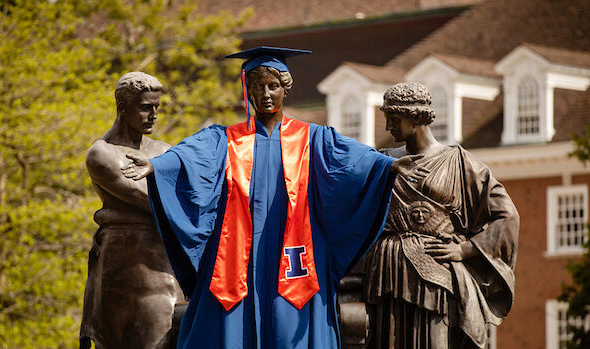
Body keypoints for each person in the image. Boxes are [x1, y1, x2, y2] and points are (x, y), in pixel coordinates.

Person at [122, 47, 427, 349]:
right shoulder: (224, 139)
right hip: (238, 253)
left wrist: (386, 166)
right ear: (248, 92)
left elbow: (352, 161)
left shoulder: (314, 138)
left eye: (273, 86)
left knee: (290, 319)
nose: (266, 93)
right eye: (257, 87)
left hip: (297, 254)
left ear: (285, 89)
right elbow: (189, 158)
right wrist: (156, 167)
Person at [363, 82, 519, 349]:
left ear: (416, 118)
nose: (389, 127)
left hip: (436, 276)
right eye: (387, 119)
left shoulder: (460, 163)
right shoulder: (381, 161)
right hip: (386, 271)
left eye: (394, 119)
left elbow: (507, 216)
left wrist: (466, 249)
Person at [81, 72, 185, 349]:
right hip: (131, 267)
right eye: (145, 107)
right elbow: (153, 202)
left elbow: (188, 197)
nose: (153, 115)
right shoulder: (102, 154)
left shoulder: (164, 150)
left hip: (172, 264)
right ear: (122, 107)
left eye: (157, 107)